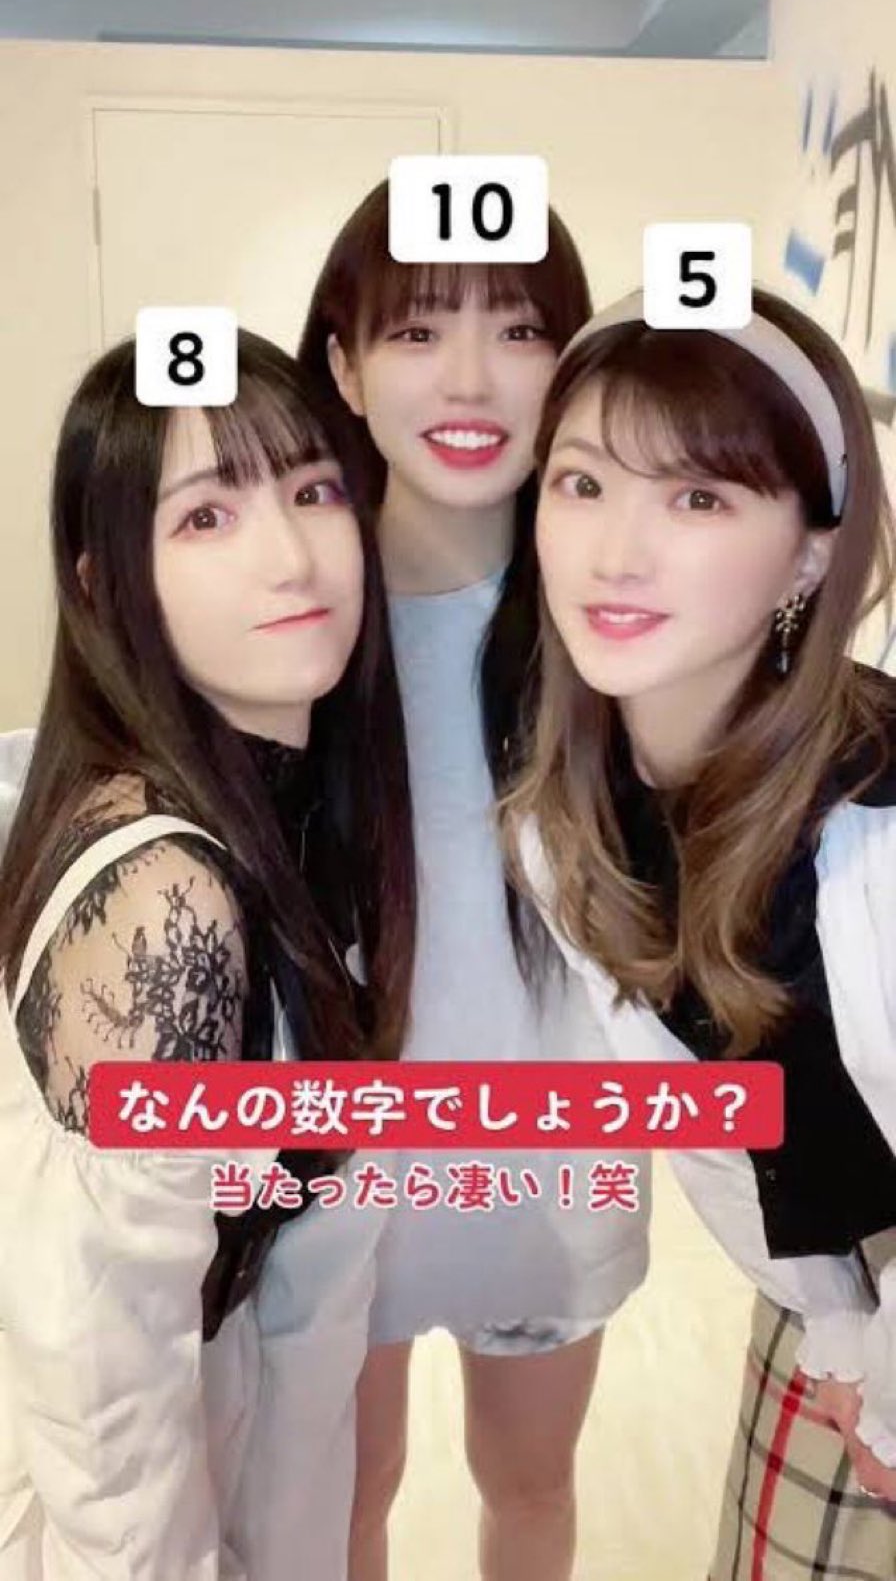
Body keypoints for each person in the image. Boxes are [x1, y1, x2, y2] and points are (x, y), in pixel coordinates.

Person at [0, 330, 416, 1579]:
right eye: (205, 517)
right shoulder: (166, 895)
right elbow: (101, 1382)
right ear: (102, 581)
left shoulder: (280, 805)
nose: (288, 554)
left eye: (311, 490)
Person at [501, 286, 896, 1576]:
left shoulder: (873, 824)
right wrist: (836, 1324)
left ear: (808, 556)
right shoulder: (565, 823)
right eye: (581, 483)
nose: (614, 554)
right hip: (827, 1292)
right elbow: (725, 1129)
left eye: (696, 498)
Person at [297, 181, 650, 1581]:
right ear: (343, 365)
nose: (467, 380)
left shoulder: (612, 611)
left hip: (549, 1155)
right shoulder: (295, 610)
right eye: (415, 331)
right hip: (341, 1166)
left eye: (516, 330)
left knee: (529, 1482)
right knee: (344, 1496)